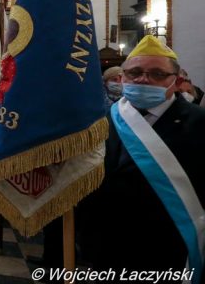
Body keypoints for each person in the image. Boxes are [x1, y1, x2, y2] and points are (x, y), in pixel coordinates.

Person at [79, 36, 205, 278]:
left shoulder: (199, 123)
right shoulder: (102, 120)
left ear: (177, 81)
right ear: (123, 77)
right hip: (108, 247)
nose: (143, 79)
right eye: (134, 73)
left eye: (157, 74)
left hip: (169, 249)